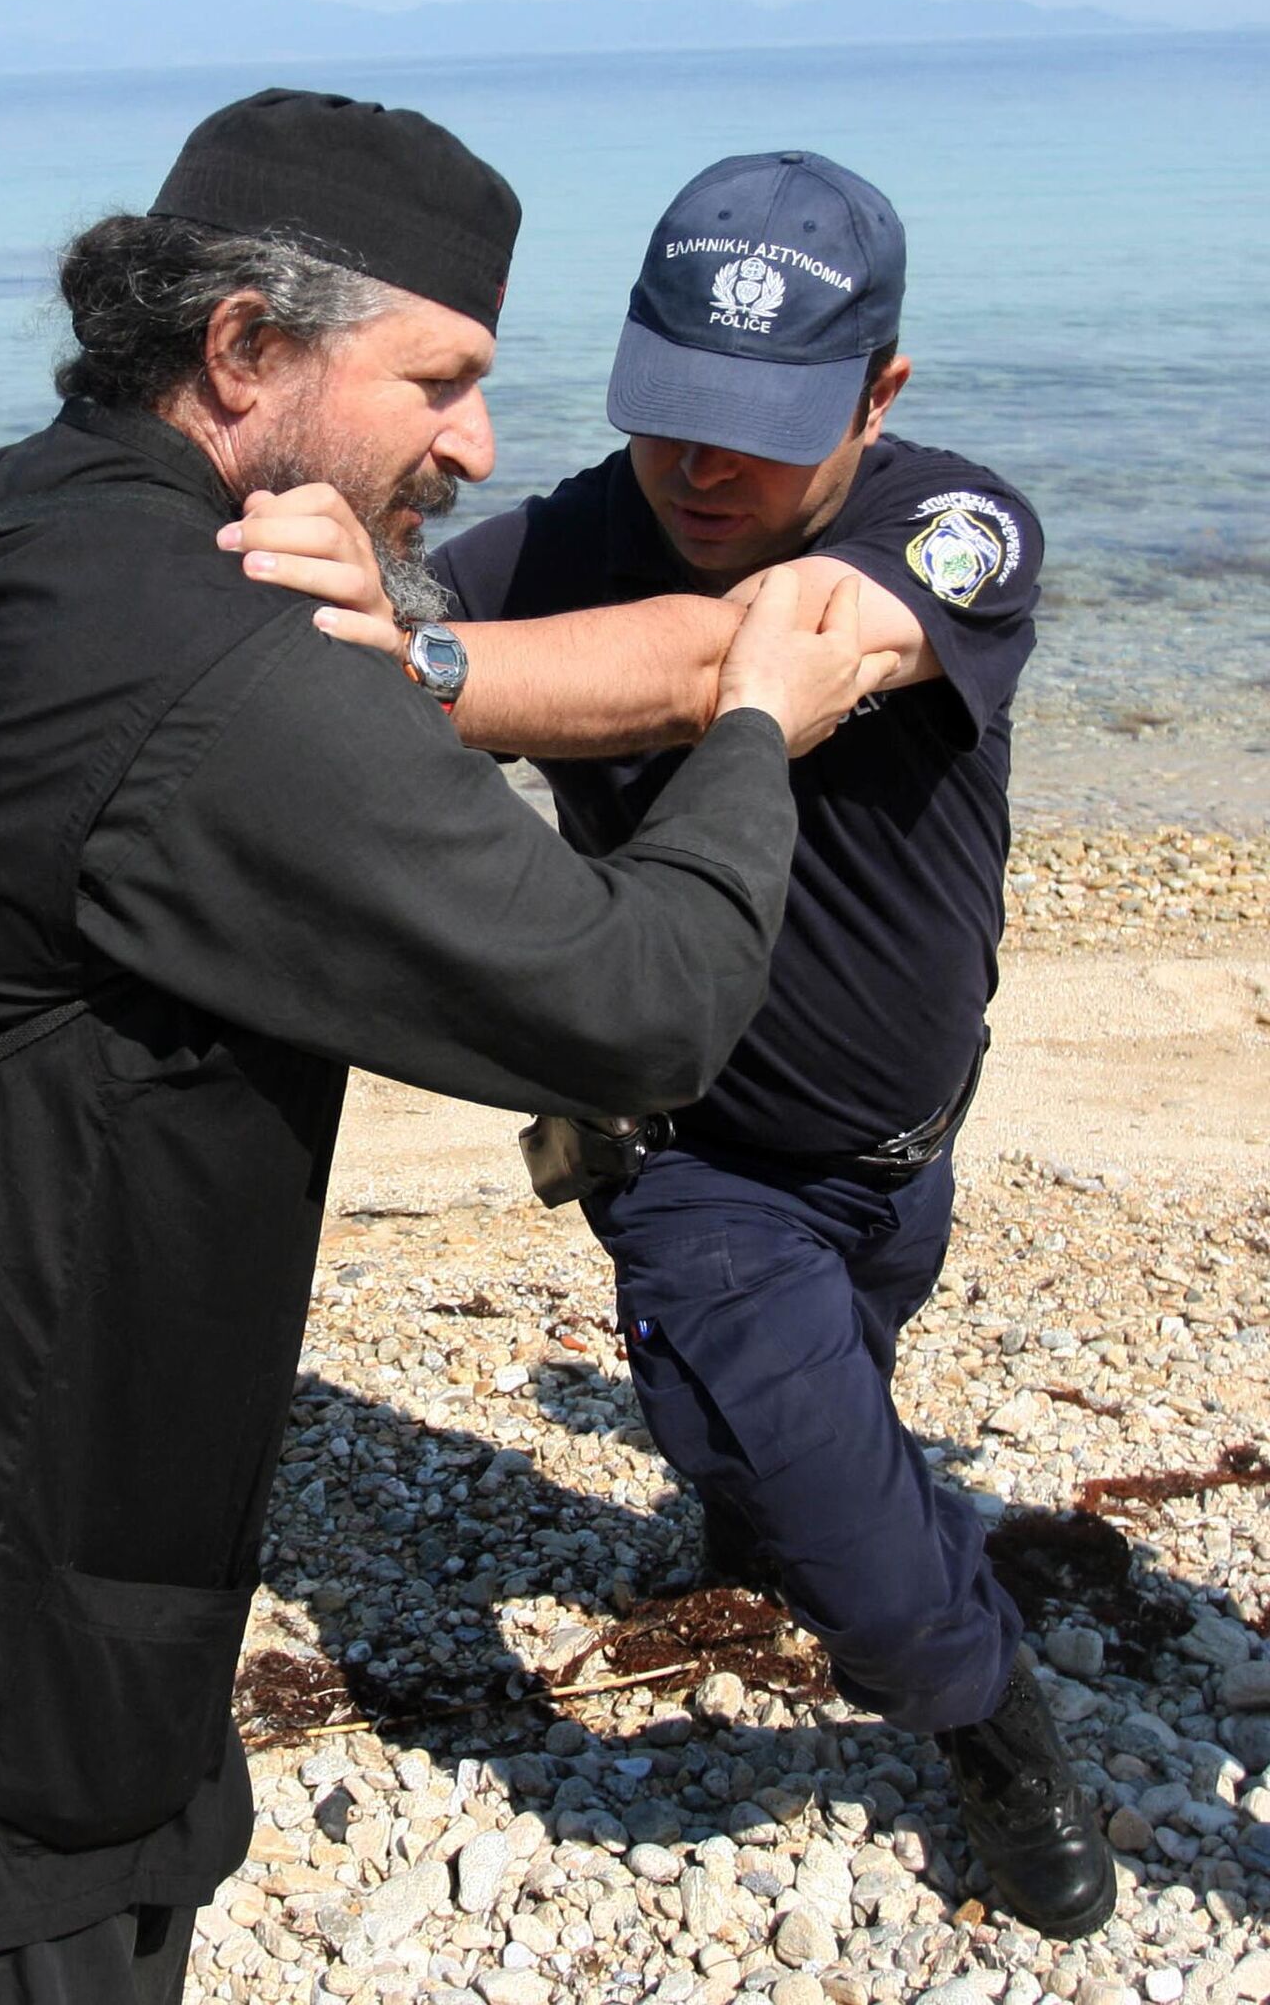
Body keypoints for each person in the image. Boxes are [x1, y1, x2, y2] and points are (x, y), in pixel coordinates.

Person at [0, 95, 886, 2003]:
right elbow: (644, 1001)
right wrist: (757, 716)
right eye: (440, 380)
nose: (479, 442)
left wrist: (407, 658)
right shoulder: (204, 663)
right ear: (244, 348)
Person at [227, 149, 1115, 1941]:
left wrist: (423, 662)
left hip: (904, 1148)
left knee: (801, 1425)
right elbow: (329, 642)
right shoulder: (576, 539)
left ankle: (758, 1514)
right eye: (671, 415)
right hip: (695, 1157)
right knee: (860, 1528)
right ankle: (993, 1725)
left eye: (762, 430)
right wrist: (319, 565)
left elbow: (752, 658)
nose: (704, 468)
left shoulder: (962, 527)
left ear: (879, 394)